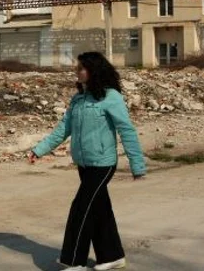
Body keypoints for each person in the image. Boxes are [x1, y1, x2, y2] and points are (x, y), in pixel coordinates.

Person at [28, 51, 146, 271]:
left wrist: (137, 165)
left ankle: (74, 261)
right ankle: (112, 256)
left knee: (81, 209)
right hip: (84, 164)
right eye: (78, 67)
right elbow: (63, 130)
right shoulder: (79, 99)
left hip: (102, 164)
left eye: (81, 67)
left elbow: (127, 130)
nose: (77, 71)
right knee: (100, 210)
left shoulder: (111, 97)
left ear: (93, 70)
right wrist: (39, 150)